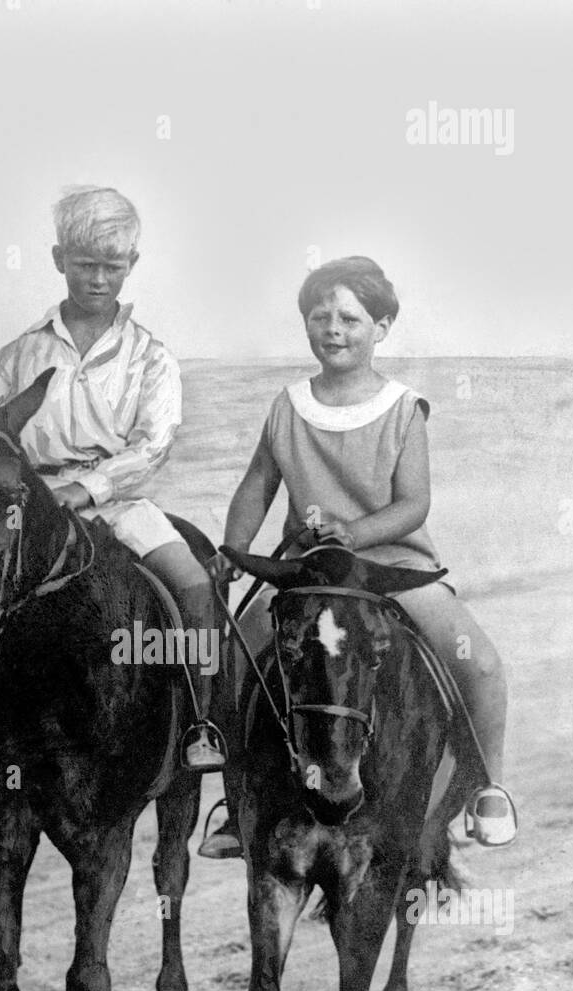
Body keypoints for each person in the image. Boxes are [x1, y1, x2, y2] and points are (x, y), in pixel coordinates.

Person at [0, 186, 225, 771]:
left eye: (111, 267)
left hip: (120, 506)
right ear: (58, 260)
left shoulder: (150, 357)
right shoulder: (20, 353)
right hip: (29, 506)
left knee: (193, 586)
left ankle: (201, 720)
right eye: (85, 264)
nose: (98, 279)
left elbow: (153, 446)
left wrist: (88, 488)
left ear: (131, 267)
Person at [200, 255, 516, 855]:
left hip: (393, 566)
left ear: (383, 326)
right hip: (307, 570)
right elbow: (255, 488)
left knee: (479, 663)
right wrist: (234, 551)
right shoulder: (288, 405)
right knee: (234, 654)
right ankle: (236, 802)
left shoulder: (402, 407)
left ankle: (488, 788)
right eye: (320, 317)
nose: (334, 328)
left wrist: (354, 532)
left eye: (350, 317)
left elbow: (413, 504)